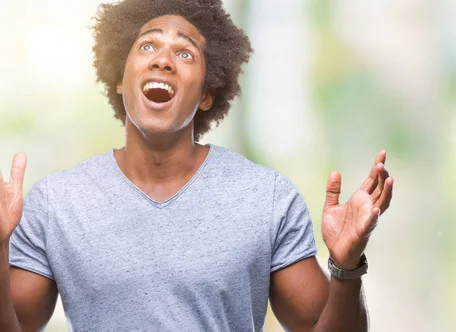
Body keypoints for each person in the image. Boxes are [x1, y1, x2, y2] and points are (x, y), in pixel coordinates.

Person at [0, 0, 394, 331]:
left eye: (185, 53)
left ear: (207, 94)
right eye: (148, 46)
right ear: (120, 79)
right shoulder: (57, 203)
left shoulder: (265, 198)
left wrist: (346, 267)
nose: (164, 61)